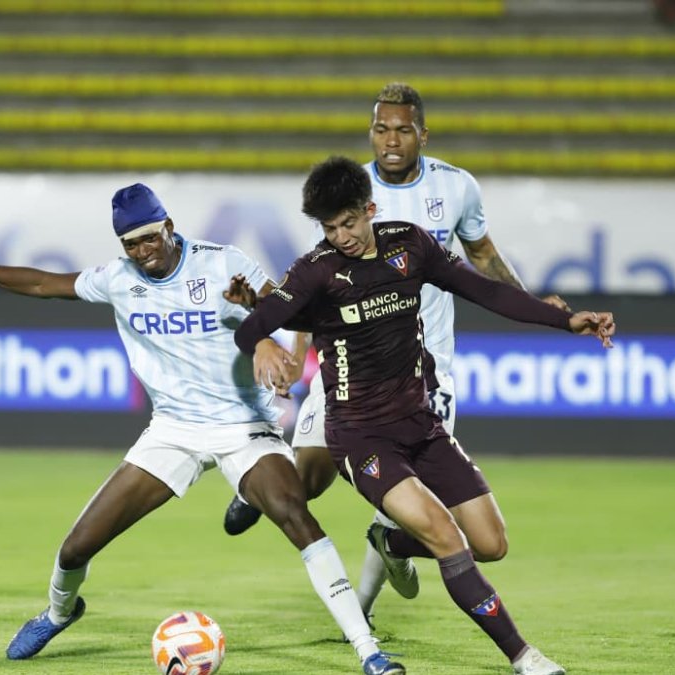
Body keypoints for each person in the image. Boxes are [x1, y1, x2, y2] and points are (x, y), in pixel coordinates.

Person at [0, 183, 404, 674]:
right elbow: (40, 283)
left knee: (297, 516)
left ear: (169, 226)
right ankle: (58, 613)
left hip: (243, 427)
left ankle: (366, 650)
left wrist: (268, 334)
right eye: (131, 243)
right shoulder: (118, 278)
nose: (142, 251)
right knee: (76, 547)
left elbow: (284, 306)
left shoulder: (220, 261)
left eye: (149, 238)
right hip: (172, 431)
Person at [235, 156, 616, 675]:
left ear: (369, 209)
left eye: (348, 222)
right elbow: (254, 323)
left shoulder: (409, 245)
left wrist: (564, 319)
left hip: (420, 424)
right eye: (329, 228)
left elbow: (484, 289)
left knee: (491, 543)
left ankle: (390, 540)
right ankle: (523, 656)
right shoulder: (316, 270)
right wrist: (260, 344)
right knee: (448, 537)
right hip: (361, 437)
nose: (341, 236)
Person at [223, 82, 568, 620]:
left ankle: (361, 607)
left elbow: (483, 260)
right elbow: (317, 288)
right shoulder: (346, 194)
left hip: (425, 372)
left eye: (402, 129)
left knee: (409, 505)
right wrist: (292, 354)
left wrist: (535, 308)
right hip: (347, 369)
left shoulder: (457, 189)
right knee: (308, 480)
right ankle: (259, 483)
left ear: (422, 135)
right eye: (381, 129)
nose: (391, 140)